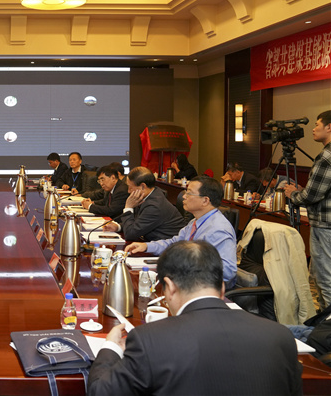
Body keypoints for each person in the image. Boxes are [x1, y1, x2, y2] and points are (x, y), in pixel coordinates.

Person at [88, 240, 302, 396]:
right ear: (222, 288)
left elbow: (101, 392)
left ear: (169, 287)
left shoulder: (149, 340)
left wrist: (111, 348)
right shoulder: (280, 336)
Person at [126, 176, 237, 289]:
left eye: (189, 193)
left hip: (204, 289)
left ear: (205, 200)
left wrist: (190, 268)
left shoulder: (218, 229)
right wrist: (146, 246)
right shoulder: (195, 221)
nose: (184, 196)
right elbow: (175, 244)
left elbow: (228, 272)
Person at [285, 110, 331, 309]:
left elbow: (312, 196)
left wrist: (293, 194)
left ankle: (327, 323)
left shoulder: (326, 156)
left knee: (325, 278)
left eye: (317, 124)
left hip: (325, 226)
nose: (313, 129)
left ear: (329, 127)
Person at [103, 167, 185, 241]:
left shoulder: (154, 206)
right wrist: (118, 227)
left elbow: (130, 234)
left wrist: (128, 208)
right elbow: (137, 223)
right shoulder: (150, 195)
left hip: (166, 248)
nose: (128, 191)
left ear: (142, 186)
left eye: (130, 187)